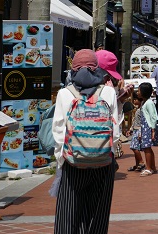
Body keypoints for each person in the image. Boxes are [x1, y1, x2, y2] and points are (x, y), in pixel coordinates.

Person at [52, 49, 119, 234]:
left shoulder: (64, 93)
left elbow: (58, 131)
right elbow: (116, 132)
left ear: (73, 69)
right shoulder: (108, 92)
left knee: (68, 216)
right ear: (96, 68)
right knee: (97, 216)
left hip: (73, 163)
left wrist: (62, 159)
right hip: (103, 163)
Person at [137, 82, 158, 176]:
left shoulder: (149, 103)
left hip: (149, 128)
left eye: (139, 90)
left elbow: (153, 116)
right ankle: (152, 167)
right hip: (145, 127)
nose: (137, 92)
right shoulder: (144, 102)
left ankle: (149, 168)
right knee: (147, 148)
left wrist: (153, 129)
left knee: (147, 148)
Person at [128, 92, 144, 172]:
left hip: (138, 130)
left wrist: (141, 132)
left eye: (135, 100)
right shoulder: (138, 110)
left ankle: (141, 161)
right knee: (135, 147)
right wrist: (131, 129)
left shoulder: (141, 110)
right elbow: (135, 121)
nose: (134, 101)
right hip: (135, 129)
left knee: (134, 147)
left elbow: (142, 122)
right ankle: (137, 164)